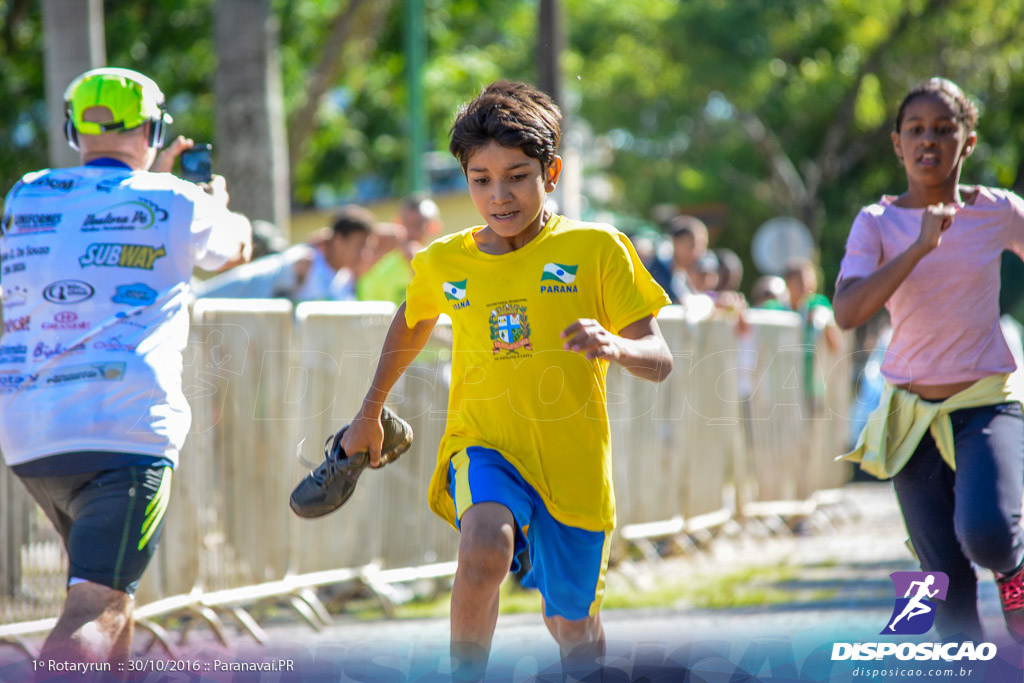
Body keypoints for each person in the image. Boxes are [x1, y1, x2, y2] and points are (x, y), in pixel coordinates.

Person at [333, 80, 673, 679]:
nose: (499, 195)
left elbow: (659, 356)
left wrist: (614, 344)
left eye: (517, 175)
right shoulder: (444, 260)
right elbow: (411, 323)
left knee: (573, 628)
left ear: (552, 171)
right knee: (485, 545)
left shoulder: (597, 248)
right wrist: (368, 413)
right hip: (484, 442)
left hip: (573, 467)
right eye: (481, 179)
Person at [0, 67, 251, 667]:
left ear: (73, 129)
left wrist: (158, 192)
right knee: (96, 603)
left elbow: (95, 221)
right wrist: (209, 200)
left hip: (31, 435)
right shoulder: (179, 200)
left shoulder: (28, 191)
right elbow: (237, 247)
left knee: (111, 589)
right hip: (123, 432)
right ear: (155, 129)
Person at [835, 77, 1024, 642]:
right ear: (897, 143)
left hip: (985, 403)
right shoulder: (876, 222)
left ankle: (1016, 575)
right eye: (915, 130)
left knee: (989, 533)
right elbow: (847, 310)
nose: (929, 141)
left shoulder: (999, 211)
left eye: (944, 130)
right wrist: (919, 246)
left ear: (967, 143)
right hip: (910, 414)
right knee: (943, 583)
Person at [193, 205, 372, 301]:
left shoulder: (345, 280)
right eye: (359, 245)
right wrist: (199, 297)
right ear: (339, 240)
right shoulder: (304, 263)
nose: (363, 253)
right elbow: (251, 283)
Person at [356, 195, 442, 305]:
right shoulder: (376, 269)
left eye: (419, 224)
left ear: (434, 227)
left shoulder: (442, 263)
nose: (411, 232)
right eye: (406, 224)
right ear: (396, 223)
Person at [648, 214, 709, 303]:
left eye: (703, 246)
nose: (699, 253)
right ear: (675, 242)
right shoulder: (657, 274)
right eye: (692, 246)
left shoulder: (681, 275)